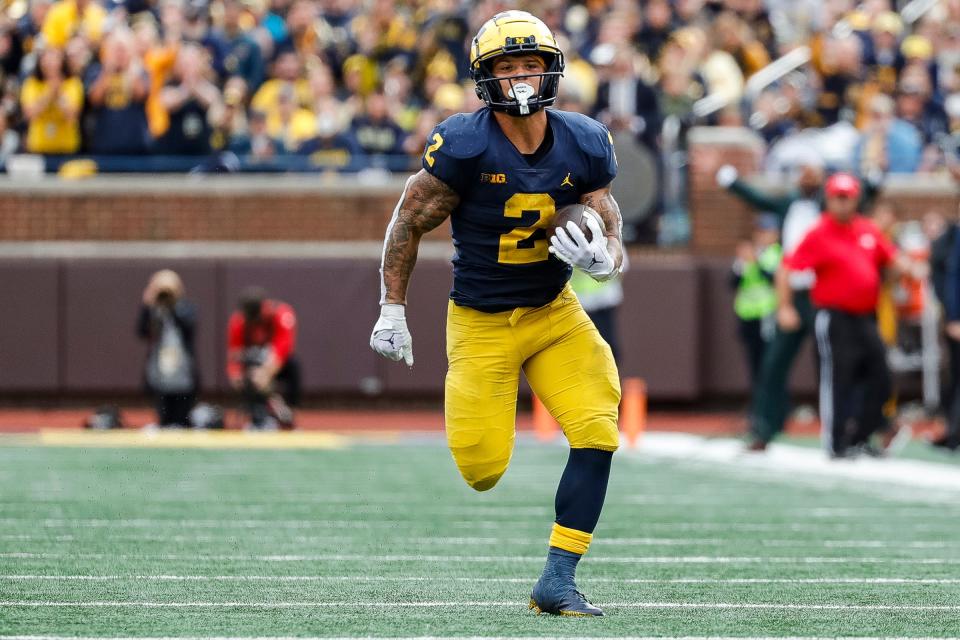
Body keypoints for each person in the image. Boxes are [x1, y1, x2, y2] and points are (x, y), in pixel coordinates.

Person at [369, 11, 624, 617]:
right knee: (481, 468)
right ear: (485, 79)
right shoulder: (463, 143)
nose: (518, 79)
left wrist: (606, 261)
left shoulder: (584, 140)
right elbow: (408, 220)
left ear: (550, 70)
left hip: (553, 310)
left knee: (597, 425)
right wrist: (392, 307)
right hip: (481, 319)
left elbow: (611, 227)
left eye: (528, 66)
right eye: (505, 68)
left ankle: (557, 581)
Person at [780, 173, 918, 458]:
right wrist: (785, 306)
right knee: (838, 378)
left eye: (848, 198)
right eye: (838, 198)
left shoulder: (867, 229)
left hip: (866, 315)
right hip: (834, 315)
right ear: (829, 199)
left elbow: (890, 259)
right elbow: (787, 268)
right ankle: (836, 441)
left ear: (856, 199)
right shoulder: (819, 232)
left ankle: (861, 436)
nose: (843, 204)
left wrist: (908, 268)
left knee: (881, 375)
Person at [226, 286, 300, 430]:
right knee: (248, 373)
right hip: (252, 367)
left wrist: (266, 371)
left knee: (295, 366)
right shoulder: (238, 321)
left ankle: (291, 411)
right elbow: (234, 353)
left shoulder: (281, 313)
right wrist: (235, 374)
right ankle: (258, 416)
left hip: (277, 365)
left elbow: (284, 346)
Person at [137, 269, 198, 427]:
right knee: (163, 416)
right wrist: (148, 304)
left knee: (182, 419)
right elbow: (142, 331)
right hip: (159, 368)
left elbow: (189, 326)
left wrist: (173, 304)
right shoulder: (154, 309)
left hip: (182, 370)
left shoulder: (185, 308)